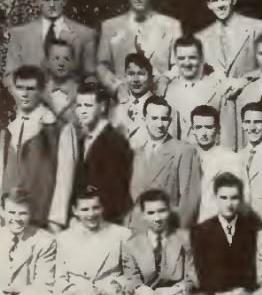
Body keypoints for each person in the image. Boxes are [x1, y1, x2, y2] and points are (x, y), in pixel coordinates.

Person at [49, 80, 134, 228]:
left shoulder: (116, 143)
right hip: (84, 222)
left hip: (105, 223)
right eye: (79, 105)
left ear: (102, 107)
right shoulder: (82, 140)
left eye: (88, 106)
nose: (82, 111)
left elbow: (116, 191)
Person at [95, 0, 182, 91]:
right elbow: (101, 66)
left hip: (160, 98)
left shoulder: (171, 25)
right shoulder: (110, 26)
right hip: (123, 100)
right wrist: (116, 87)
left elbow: (179, 64)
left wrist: (166, 79)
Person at [129, 97, 202, 230]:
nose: (160, 124)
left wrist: (178, 238)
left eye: (164, 119)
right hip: (138, 234)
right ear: (145, 119)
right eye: (154, 118)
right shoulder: (136, 154)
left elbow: (189, 201)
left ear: (170, 121)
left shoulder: (184, 150)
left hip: (167, 231)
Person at [4, 0, 95, 77]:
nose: (51, 5)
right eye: (46, 0)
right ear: (38, 1)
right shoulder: (19, 35)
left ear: (64, 0)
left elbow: (90, 78)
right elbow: (9, 76)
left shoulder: (84, 35)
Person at [3, 66, 59, 226]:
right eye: (20, 88)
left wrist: (53, 218)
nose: (25, 94)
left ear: (41, 90)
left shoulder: (50, 126)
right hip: (9, 213)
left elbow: (60, 174)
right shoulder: (10, 125)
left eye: (30, 88)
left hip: (39, 212)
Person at [194, 0, 262, 78]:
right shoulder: (201, 38)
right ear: (209, 5)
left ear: (233, 0)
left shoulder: (260, 28)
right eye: (215, 1)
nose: (220, 5)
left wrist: (243, 82)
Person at [165, 35, 233, 144]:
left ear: (201, 58)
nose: (187, 63)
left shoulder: (216, 88)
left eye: (192, 57)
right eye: (181, 58)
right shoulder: (170, 91)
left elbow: (226, 132)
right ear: (176, 60)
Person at [188, 105, 246, 223]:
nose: (203, 133)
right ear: (192, 129)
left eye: (208, 127)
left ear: (218, 128)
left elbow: (241, 198)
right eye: (199, 127)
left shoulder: (231, 158)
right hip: (188, 227)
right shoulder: (187, 156)